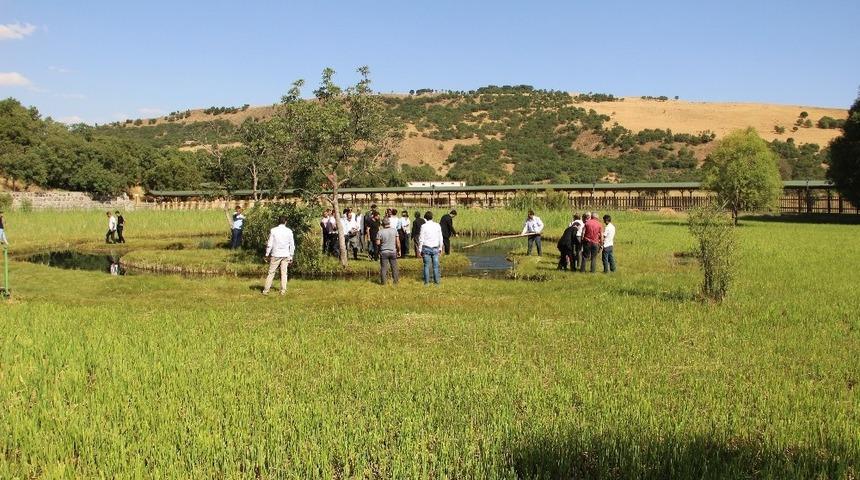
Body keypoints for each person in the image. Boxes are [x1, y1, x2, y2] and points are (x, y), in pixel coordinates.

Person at [262, 215, 295, 296]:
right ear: (285, 222)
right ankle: (283, 290)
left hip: (275, 254)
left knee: (271, 272)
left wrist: (267, 254)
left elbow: (270, 244)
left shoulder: (273, 230)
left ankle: (266, 290)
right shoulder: (289, 231)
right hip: (285, 254)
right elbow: (292, 245)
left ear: (278, 221)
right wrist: (291, 256)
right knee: (284, 273)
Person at [418, 211, 444, 285]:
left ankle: (426, 283)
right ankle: (437, 282)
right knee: (435, 266)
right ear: (432, 217)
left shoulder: (423, 226)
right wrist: (441, 248)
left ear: (425, 218)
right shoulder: (437, 225)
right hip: (435, 247)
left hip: (426, 247)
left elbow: (421, 238)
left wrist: (419, 249)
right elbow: (440, 237)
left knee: (426, 266)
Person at [376, 218, 401, 285]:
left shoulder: (380, 232)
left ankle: (383, 283)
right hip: (393, 251)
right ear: (389, 223)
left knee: (384, 268)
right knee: (394, 268)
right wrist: (399, 251)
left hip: (384, 252)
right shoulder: (394, 230)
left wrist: (379, 249)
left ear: (382, 224)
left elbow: (378, 243)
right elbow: (398, 242)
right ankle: (395, 282)